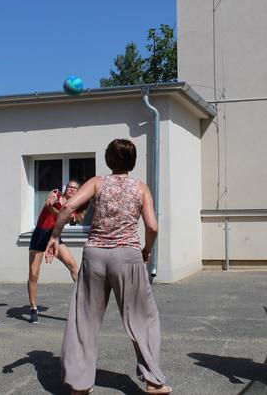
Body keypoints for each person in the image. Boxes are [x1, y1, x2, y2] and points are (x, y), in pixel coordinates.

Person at [45, 139, 172, 395]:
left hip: (95, 255)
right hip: (128, 256)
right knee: (143, 318)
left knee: (84, 319)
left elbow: (68, 206)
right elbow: (152, 227)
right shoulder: (141, 188)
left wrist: (55, 236)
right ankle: (153, 382)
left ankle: (80, 385)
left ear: (108, 159)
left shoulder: (97, 182)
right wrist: (146, 250)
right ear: (132, 161)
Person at [27, 180, 86, 324]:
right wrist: (50, 200)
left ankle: (83, 304)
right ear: (66, 188)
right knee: (34, 272)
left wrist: (51, 207)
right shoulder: (56, 194)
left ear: (78, 192)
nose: (72, 189)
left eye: (75, 188)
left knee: (73, 267)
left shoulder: (73, 210)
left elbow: (61, 217)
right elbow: (50, 197)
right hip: (40, 234)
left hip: (54, 237)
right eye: (70, 186)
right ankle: (33, 308)